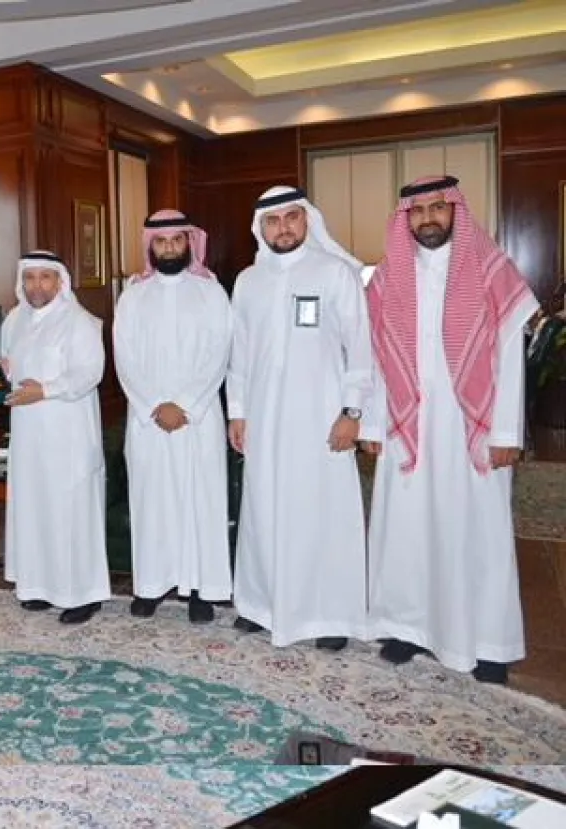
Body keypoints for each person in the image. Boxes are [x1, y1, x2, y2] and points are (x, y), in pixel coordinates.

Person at [361, 176, 540, 685]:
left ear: (456, 211)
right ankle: (406, 627)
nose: (428, 219)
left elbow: (510, 356)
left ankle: (487, 641)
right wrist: (373, 422)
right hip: (407, 426)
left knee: (477, 532)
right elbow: (374, 357)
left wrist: (505, 433)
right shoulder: (387, 279)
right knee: (406, 529)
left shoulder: (491, 270)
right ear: (405, 219)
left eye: (438, 208)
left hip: (471, 429)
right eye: (417, 211)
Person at [226, 186, 372, 651]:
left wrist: (352, 412)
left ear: (307, 220)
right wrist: (237, 412)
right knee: (264, 509)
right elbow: (239, 354)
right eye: (273, 220)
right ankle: (261, 605)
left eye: (292, 217)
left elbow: (361, 348)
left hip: (321, 420)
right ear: (261, 228)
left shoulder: (334, 273)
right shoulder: (248, 281)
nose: (283, 227)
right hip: (264, 419)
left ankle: (329, 614)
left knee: (322, 514)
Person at [113, 211, 232, 623]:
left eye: (176, 241)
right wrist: (153, 405)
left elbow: (219, 353)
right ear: (150, 246)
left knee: (202, 503)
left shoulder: (211, 293)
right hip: (148, 420)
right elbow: (125, 358)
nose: (168, 248)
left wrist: (185, 404)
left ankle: (202, 589)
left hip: (198, 417)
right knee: (152, 503)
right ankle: (151, 586)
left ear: (189, 243)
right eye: (160, 242)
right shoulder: (132, 297)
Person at [0, 251, 110, 625]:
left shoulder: (80, 322)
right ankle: (40, 587)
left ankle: (83, 594)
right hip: (28, 436)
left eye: (45, 277)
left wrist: (45, 390)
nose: (37, 286)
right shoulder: (14, 320)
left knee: (71, 512)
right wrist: (4, 371)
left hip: (69, 435)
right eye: (29, 278)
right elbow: (8, 365)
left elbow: (89, 373)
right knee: (34, 508)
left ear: (60, 281)